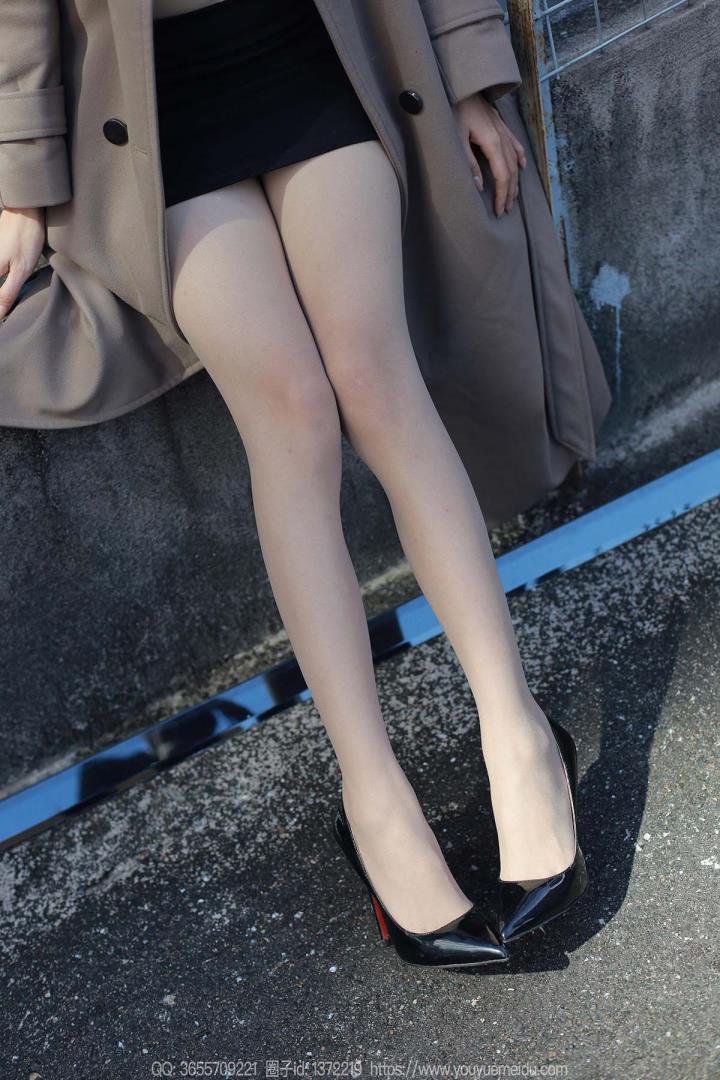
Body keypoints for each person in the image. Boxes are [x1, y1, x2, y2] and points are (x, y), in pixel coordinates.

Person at [0, 0, 587, 968]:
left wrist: (468, 70)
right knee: (292, 416)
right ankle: (373, 795)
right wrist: (21, 184)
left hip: (311, 54)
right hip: (154, 119)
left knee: (375, 376)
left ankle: (516, 731)